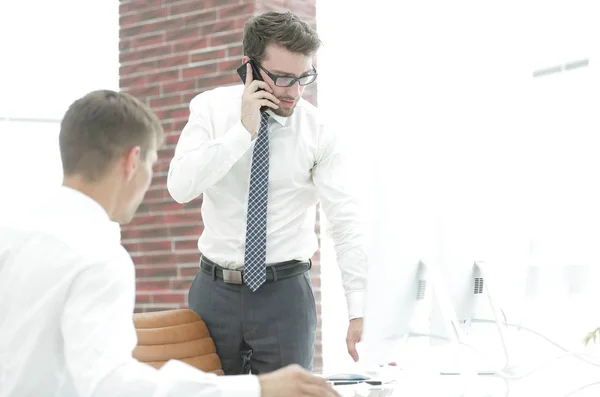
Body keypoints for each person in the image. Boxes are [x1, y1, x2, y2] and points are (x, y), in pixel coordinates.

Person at [0, 90, 339, 397]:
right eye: (151, 164)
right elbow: (110, 385)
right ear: (132, 161)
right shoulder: (99, 259)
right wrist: (257, 387)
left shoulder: (12, 233)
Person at [167, 11, 368, 375]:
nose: (294, 92)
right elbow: (180, 187)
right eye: (282, 79)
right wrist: (241, 133)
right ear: (250, 68)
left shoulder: (319, 130)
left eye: (303, 77)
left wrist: (357, 307)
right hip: (214, 293)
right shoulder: (210, 109)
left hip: (285, 297)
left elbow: (345, 219)